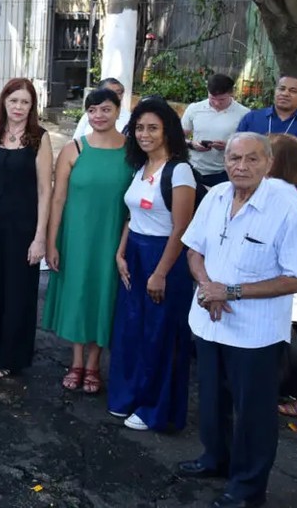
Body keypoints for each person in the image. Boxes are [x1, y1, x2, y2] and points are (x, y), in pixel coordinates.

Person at [179, 132, 297, 508]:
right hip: (209, 319)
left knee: (254, 414)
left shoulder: (285, 205)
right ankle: (215, 459)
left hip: (256, 334)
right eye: (235, 158)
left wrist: (232, 292)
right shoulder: (218, 195)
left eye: (252, 159)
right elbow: (193, 249)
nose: (241, 166)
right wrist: (207, 286)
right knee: (212, 400)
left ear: (268, 163)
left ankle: (248, 489)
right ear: (225, 161)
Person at [108, 98, 196, 432]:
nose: (145, 134)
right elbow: (134, 215)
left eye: (153, 128)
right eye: (140, 128)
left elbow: (181, 228)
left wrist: (160, 272)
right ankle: (130, 395)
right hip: (134, 256)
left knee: (161, 335)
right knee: (132, 330)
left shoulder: (180, 171)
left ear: (168, 131)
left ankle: (155, 409)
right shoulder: (141, 167)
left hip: (164, 260)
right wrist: (120, 252)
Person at [43, 88, 131, 394]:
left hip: (113, 236)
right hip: (76, 236)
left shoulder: (133, 151)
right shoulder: (74, 149)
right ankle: (77, 361)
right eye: (92, 110)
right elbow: (57, 199)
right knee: (79, 294)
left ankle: (95, 364)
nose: (98, 116)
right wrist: (51, 241)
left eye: (105, 109)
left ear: (118, 110)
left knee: (104, 295)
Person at [0, 78, 53, 377]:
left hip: (23, 228)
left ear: (32, 107)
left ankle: (11, 357)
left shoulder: (39, 138)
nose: (18, 107)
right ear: (4, 102)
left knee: (18, 292)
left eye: (25, 102)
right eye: (14, 100)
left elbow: (46, 190)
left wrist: (40, 237)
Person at [266, 134, 297, 419]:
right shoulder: (289, 189)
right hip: (287, 284)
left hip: (285, 283)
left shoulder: (276, 192)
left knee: (286, 346)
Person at [237, 74, 297, 195]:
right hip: (249, 189)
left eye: (293, 91)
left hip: (289, 193)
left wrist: (281, 166)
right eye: (281, 89)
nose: (285, 93)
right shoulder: (252, 118)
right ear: (275, 91)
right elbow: (236, 151)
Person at [181, 73, 249, 187]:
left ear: (231, 93)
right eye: (212, 98)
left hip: (224, 172)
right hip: (193, 168)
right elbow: (178, 137)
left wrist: (228, 147)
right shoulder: (194, 108)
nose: (217, 103)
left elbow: (249, 146)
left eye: (222, 99)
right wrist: (191, 144)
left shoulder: (244, 114)